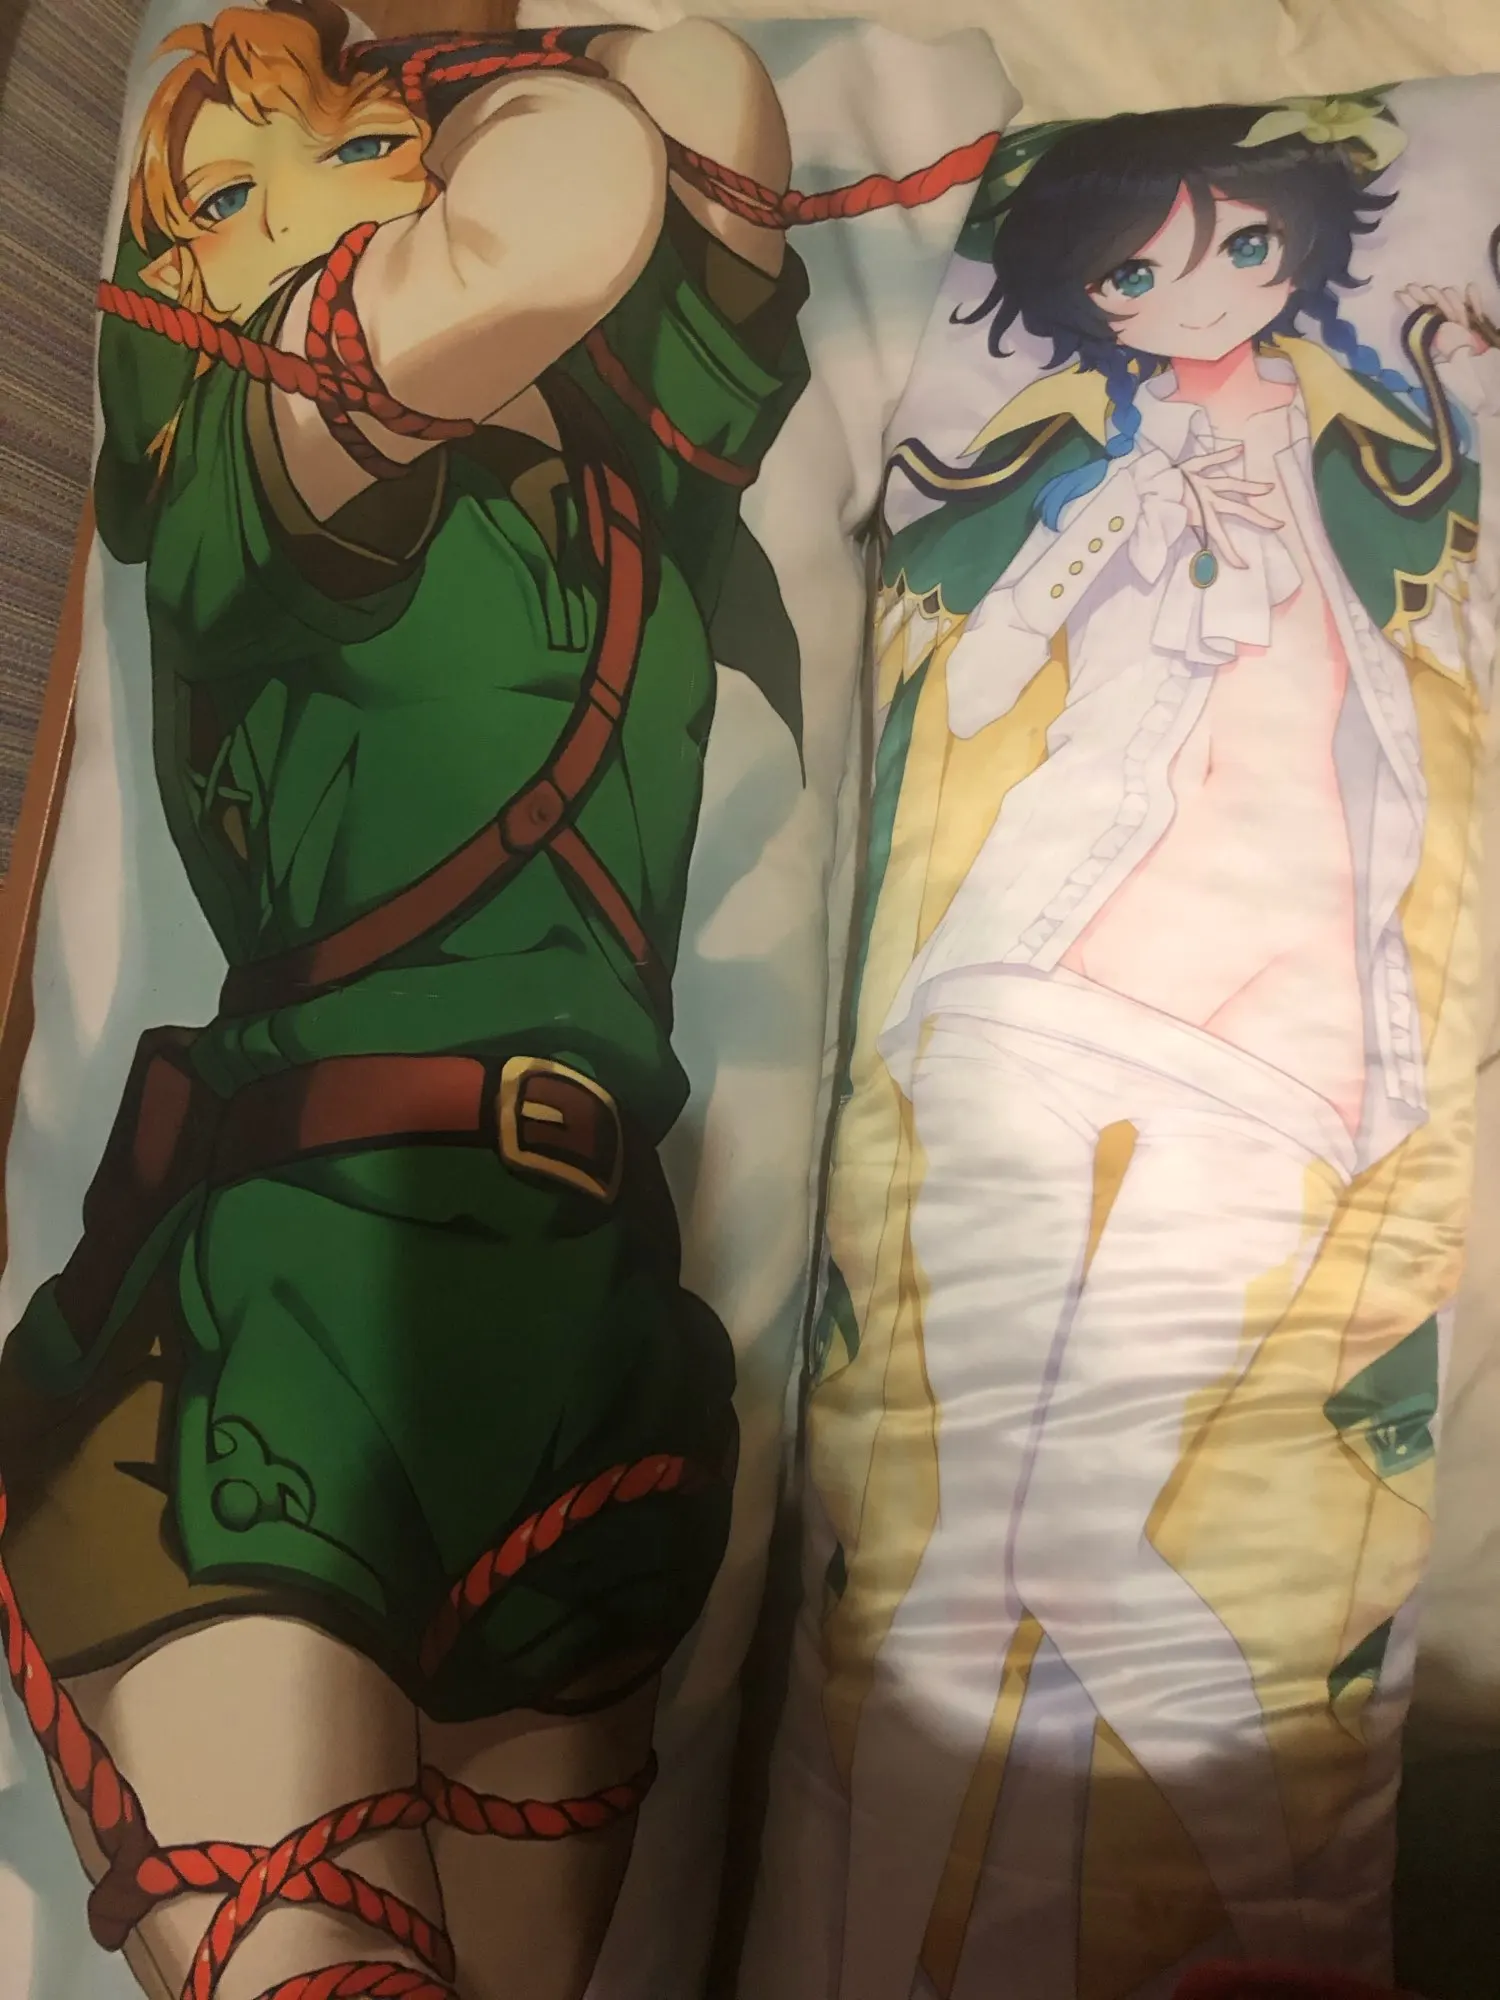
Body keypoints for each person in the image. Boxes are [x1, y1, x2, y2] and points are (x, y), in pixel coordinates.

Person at [0, 5, 811, 1996]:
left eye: (351, 147)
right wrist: (438, 114)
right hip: (288, 1308)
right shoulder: (242, 467)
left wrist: (473, 73)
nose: (298, 208)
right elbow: (562, 213)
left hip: (585, 1328)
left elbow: (704, 103)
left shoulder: (625, 475)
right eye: (223, 198)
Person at [835, 98, 1499, 2000]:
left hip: (1280, 1036)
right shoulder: (1091, 466)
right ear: (1095, 300)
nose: (1192, 294)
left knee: (1059, 1533)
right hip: (1031, 973)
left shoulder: (1388, 455)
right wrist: (1110, 541)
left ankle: (1273, 1935)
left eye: (1241, 248)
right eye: (1138, 270)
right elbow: (976, 681)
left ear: (1298, 251)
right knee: (959, 1546)